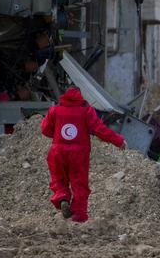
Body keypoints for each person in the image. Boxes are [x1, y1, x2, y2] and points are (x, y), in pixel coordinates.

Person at [41, 86, 126, 223]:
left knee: (58, 179)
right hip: (79, 155)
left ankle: (62, 198)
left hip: (58, 151)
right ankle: (79, 217)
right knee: (79, 184)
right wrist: (118, 141)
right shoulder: (86, 110)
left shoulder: (55, 110)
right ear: (80, 96)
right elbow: (99, 129)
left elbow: (45, 129)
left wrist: (57, 137)